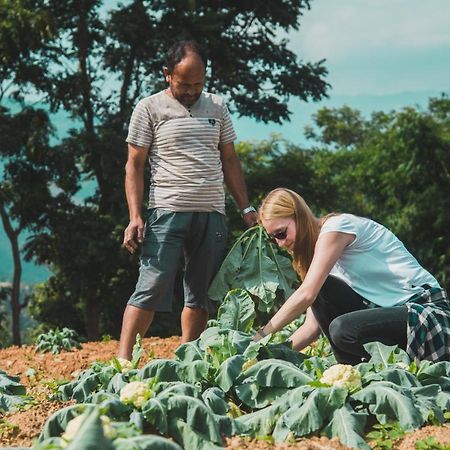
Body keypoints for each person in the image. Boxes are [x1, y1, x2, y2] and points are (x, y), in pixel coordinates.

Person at [119, 40, 257, 360]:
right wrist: (135, 216)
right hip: (166, 209)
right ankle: (123, 362)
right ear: (167, 74)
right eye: (185, 84)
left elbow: (230, 159)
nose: (193, 90)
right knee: (152, 286)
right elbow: (134, 164)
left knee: (200, 292)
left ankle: (187, 357)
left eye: (199, 83)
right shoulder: (149, 108)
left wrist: (245, 207)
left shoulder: (217, 106)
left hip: (211, 211)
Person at [254, 187, 449, 364]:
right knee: (332, 304)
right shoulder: (320, 258)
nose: (280, 243)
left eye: (281, 233)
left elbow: (306, 294)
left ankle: (360, 371)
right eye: (274, 239)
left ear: (299, 216)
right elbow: (311, 328)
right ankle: (357, 376)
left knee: (342, 329)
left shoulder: (336, 228)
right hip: (393, 317)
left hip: (424, 312)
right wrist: (266, 356)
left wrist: (262, 334)